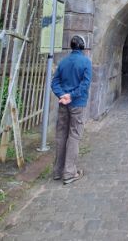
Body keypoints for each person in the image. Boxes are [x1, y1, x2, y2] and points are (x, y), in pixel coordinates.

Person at [51, 35, 92, 185]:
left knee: (61, 135)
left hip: (63, 103)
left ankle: (57, 171)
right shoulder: (86, 62)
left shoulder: (63, 62)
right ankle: (69, 172)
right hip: (77, 103)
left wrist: (62, 94)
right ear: (83, 47)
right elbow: (85, 84)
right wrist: (71, 95)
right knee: (74, 135)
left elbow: (54, 82)